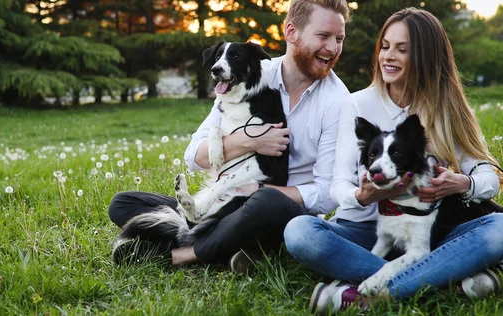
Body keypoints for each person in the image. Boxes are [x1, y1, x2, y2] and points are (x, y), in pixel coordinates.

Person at [283, 7, 503, 313]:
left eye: (401, 49)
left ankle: (370, 295)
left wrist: (463, 183)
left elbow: (488, 176)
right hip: (364, 233)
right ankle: (444, 279)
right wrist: (360, 196)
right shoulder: (356, 104)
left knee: (501, 226)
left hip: (426, 231)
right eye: (385, 47)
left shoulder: (445, 108)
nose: (388, 56)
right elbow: (338, 184)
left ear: (426, 56)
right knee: (300, 232)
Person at [108, 0, 351, 273]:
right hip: (226, 203)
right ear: (291, 32)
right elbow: (194, 156)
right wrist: (249, 142)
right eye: (323, 36)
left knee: (264, 203)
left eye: (339, 39)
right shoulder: (246, 72)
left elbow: (326, 194)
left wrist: (257, 191)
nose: (332, 48)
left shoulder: (339, 102)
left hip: (281, 215)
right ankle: (233, 247)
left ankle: (179, 255)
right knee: (124, 203)